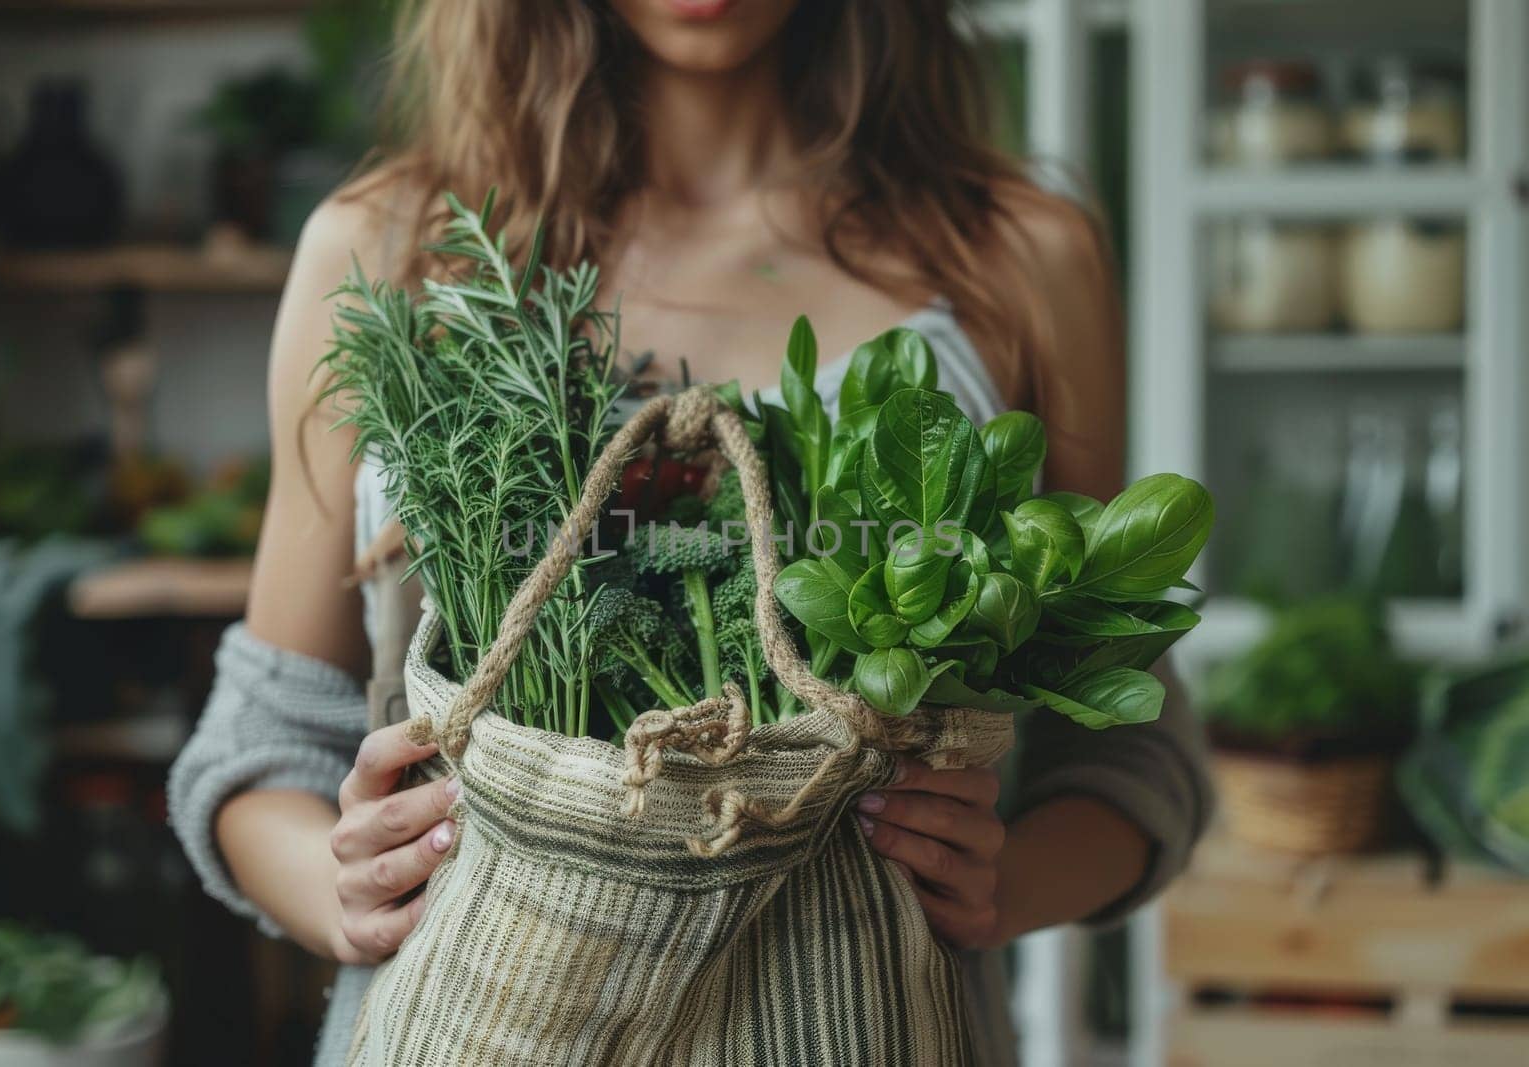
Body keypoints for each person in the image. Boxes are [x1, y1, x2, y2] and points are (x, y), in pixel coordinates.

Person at [169, 2, 1212, 1064]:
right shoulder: (385, 248)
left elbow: (1130, 748)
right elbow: (260, 743)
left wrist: (1006, 881)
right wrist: (337, 885)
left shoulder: (1017, 255)